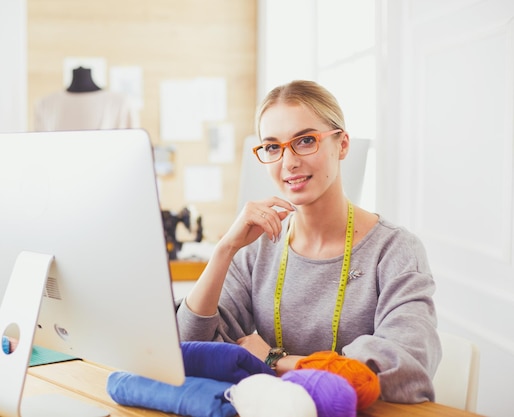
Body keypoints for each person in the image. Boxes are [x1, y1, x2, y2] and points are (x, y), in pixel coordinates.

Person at [176, 80, 442, 403]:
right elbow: (187, 349)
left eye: (305, 141)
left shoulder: (395, 251)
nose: (288, 162)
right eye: (273, 147)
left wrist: (275, 361)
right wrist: (224, 251)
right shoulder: (260, 248)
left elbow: (404, 368)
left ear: (342, 145)